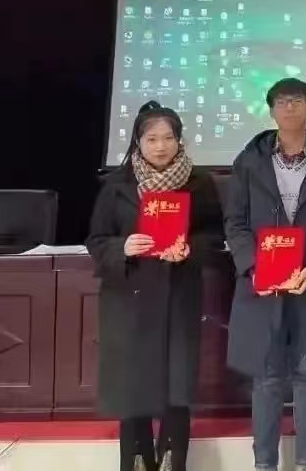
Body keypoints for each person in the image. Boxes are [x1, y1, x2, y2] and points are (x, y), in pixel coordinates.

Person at [224, 78, 306, 471]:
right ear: (271, 110)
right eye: (281, 102)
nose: (289, 108)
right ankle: (264, 464)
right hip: (261, 289)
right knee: (265, 379)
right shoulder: (249, 161)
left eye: (297, 101)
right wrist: (253, 266)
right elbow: (235, 223)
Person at [86, 101, 224, 471]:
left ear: (179, 141)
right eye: (151, 139)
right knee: (134, 386)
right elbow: (96, 240)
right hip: (129, 299)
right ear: (138, 142)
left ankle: (172, 460)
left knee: (176, 384)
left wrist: (190, 249)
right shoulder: (116, 186)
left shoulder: (199, 183)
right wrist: (123, 246)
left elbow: (215, 237)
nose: (160, 146)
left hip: (178, 296)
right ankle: (136, 460)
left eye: (167, 138)